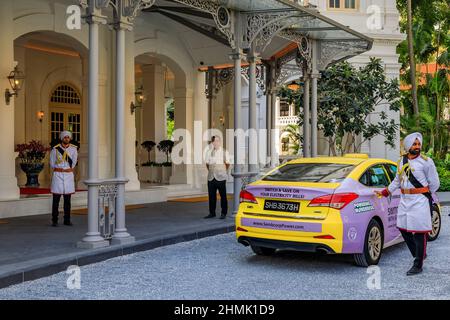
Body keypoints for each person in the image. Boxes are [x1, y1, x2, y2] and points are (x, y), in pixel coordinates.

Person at [375, 132, 440, 275]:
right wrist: (386, 192)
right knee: (403, 228)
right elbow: (397, 181)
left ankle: (418, 264)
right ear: (408, 146)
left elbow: (435, 183)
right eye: (414, 144)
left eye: (418, 144)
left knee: (419, 232)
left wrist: (425, 194)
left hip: (420, 200)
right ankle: (420, 254)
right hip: (405, 200)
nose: (417, 147)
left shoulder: (426, 161)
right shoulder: (401, 161)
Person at [50, 131, 78, 227]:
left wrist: (67, 169)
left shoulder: (74, 149)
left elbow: (74, 162)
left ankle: (67, 219)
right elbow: (52, 163)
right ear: (62, 138)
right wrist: (59, 169)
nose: (66, 139)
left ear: (70, 138)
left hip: (68, 175)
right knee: (56, 199)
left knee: (67, 200)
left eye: (68, 137)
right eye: (65, 137)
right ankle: (54, 220)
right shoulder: (55, 149)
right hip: (58, 174)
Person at [204, 136, 230, 219]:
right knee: (211, 196)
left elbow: (227, 164)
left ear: (220, 142)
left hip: (221, 177)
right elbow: (207, 164)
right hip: (211, 177)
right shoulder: (209, 152)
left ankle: (224, 213)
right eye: (214, 141)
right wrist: (212, 171)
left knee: (223, 196)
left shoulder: (224, 152)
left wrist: (221, 171)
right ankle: (212, 213)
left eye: (218, 141)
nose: (216, 143)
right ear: (212, 143)